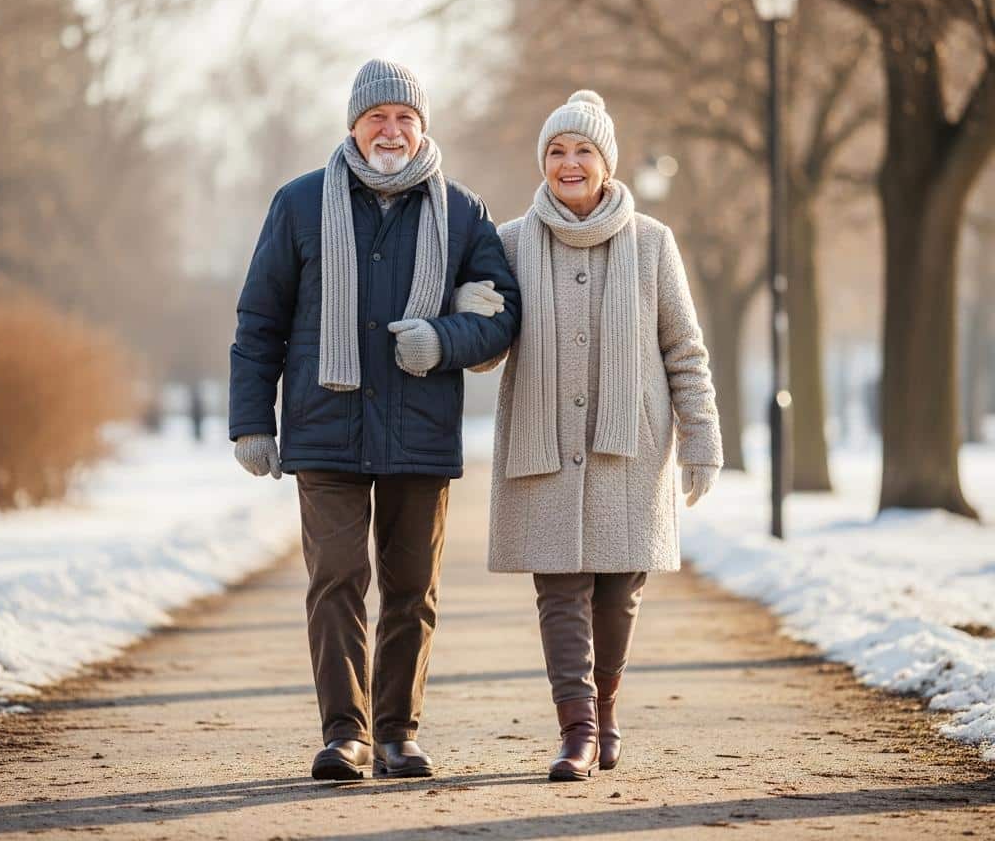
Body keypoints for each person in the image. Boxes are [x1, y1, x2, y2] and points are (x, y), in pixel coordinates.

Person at [229, 60, 521, 781]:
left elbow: (502, 316)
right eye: (377, 118)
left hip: (420, 433)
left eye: (405, 119)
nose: (391, 130)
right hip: (323, 429)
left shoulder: (462, 212)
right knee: (335, 580)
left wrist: (441, 341)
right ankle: (344, 735)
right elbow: (260, 319)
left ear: (423, 128)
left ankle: (396, 733)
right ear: (353, 126)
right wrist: (250, 421)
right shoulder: (299, 205)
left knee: (410, 587)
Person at [463, 90, 722, 781]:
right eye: (556, 151)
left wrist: (701, 441)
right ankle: (576, 731)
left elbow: (684, 351)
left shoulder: (652, 243)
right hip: (542, 442)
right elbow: (488, 350)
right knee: (559, 590)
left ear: (606, 163)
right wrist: (472, 311)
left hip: (630, 448)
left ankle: (606, 712)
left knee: (617, 592)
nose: (568, 163)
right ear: (542, 163)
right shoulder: (511, 241)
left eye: (582, 151)